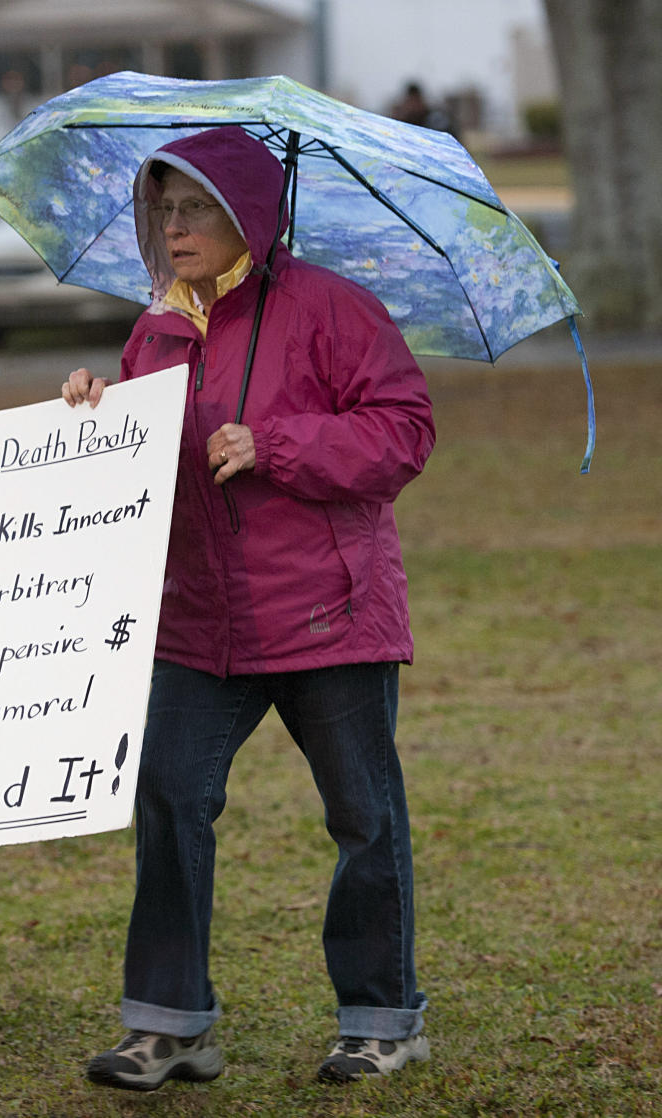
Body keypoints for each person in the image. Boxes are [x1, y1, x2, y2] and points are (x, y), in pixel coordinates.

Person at [62, 126, 435, 1090]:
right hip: (198, 618)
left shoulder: (334, 309)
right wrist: (94, 413)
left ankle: (380, 1018)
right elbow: (148, 460)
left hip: (326, 613)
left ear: (250, 217)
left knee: (363, 817)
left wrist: (280, 445)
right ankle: (171, 1023)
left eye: (195, 210)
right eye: (163, 210)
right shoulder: (156, 328)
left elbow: (403, 432)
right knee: (170, 799)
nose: (173, 228)